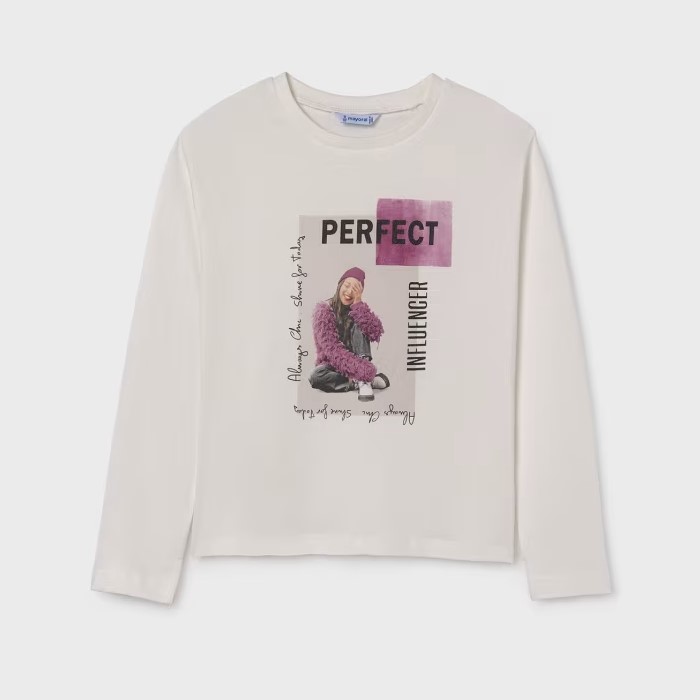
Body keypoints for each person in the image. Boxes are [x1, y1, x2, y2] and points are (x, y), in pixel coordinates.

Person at [309, 266, 390, 401]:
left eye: (355, 289)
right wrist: (363, 371)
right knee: (316, 376)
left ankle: (364, 382)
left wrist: (358, 306)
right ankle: (361, 381)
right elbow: (333, 351)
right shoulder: (323, 311)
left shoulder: (357, 309)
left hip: (358, 359)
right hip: (333, 363)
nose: (349, 292)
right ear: (340, 285)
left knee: (361, 320)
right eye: (347, 286)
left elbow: (375, 333)